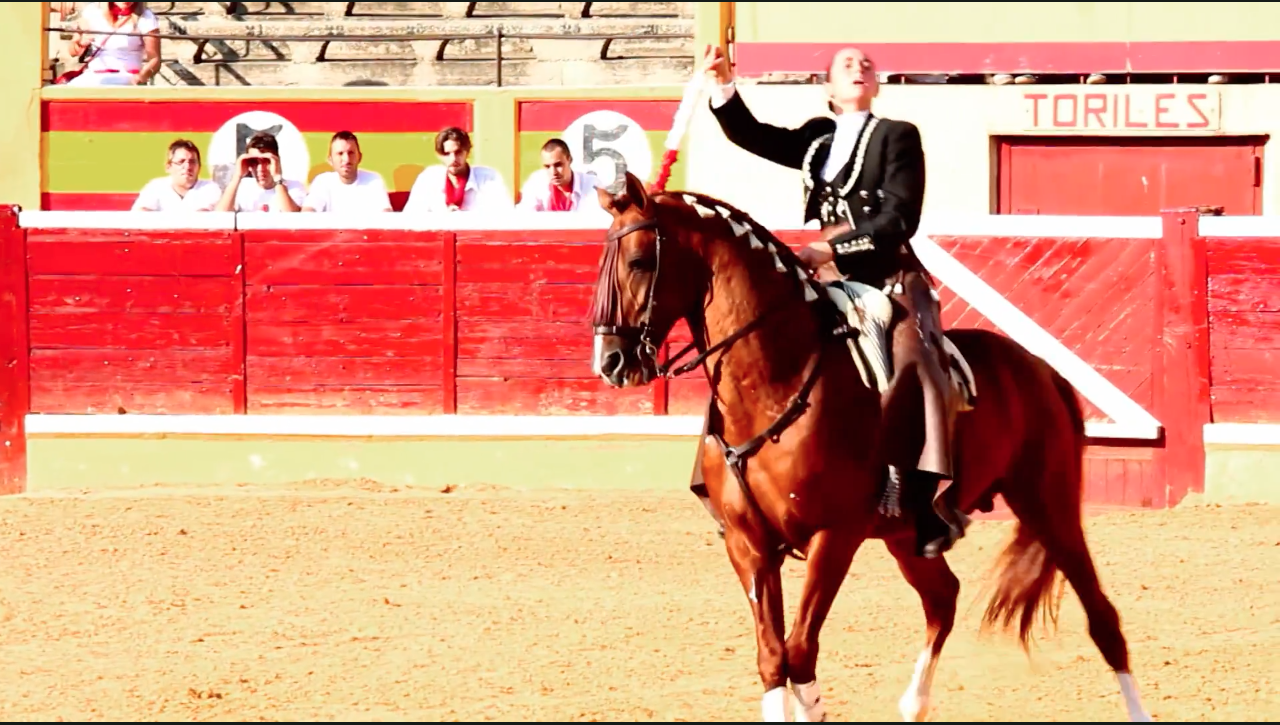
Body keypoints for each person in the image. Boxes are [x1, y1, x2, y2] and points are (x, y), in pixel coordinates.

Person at [692, 44, 968, 559]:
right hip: (824, 279)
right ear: (828, 88)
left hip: (888, 275)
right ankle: (727, 483)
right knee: (751, 356)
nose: (858, 68)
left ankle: (927, 501)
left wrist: (831, 248)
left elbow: (900, 219)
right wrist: (723, 83)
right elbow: (752, 135)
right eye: (846, 64)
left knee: (915, 363)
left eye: (866, 64)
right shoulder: (818, 139)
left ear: (877, 83)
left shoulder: (897, 135)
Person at [403, 127, 512, 213]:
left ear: (468, 152)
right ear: (438, 155)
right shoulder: (429, 178)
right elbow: (412, 217)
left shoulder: (489, 177)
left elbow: (506, 216)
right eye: (446, 154)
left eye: (458, 152)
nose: (453, 159)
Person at [65, 2, 161, 86]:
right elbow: (72, 51)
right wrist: (80, 44)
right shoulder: (93, 11)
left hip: (126, 77)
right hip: (94, 75)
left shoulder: (146, 17)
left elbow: (155, 59)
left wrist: (142, 76)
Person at [302, 131, 393, 213]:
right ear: (330, 159)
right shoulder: (322, 181)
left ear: (359, 157)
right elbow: (308, 212)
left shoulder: (373, 180)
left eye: (351, 153)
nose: (346, 159)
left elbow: (386, 214)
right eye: (340, 153)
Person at [214, 131, 305, 213]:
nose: (260, 168)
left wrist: (277, 177)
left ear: (276, 161)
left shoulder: (294, 187)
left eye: (266, 161)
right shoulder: (243, 186)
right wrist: (237, 176)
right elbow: (220, 215)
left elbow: (292, 218)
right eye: (254, 162)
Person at [516, 138, 608, 214]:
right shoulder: (535, 182)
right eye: (547, 166)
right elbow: (523, 219)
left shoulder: (592, 185)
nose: (553, 172)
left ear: (570, 159)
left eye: (558, 165)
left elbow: (597, 224)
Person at [131, 139, 221, 212]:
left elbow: (201, 218)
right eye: (181, 162)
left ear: (199, 167)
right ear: (168, 167)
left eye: (192, 162)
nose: (187, 166)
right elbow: (140, 213)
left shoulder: (210, 188)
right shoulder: (156, 186)